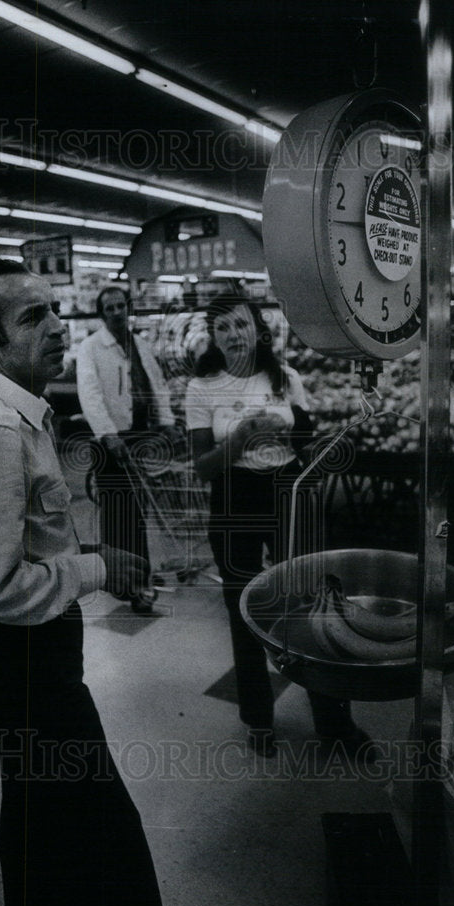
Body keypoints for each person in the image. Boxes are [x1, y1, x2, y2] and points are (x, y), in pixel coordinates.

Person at [0, 260, 167, 906]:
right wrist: (96, 568)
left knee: (46, 821)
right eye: (31, 317)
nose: (56, 326)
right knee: (99, 827)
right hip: (21, 659)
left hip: (36, 649)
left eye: (53, 309)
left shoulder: (21, 416)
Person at [185, 290, 370, 758]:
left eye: (240, 324)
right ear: (213, 336)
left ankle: (334, 721)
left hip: (288, 490)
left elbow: (307, 439)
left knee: (310, 602)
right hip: (233, 497)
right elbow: (203, 466)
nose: (232, 335)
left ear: (258, 330)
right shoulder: (202, 387)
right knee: (244, 608)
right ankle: (258, 718)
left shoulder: (286, 378)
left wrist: (290, 432)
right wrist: (241, 438)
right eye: (222, 327)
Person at [76, 285, 180, 614]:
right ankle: (126, 582)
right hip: (110, 442)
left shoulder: (140, 345)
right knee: (120, 513)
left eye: (121, 306)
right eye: (110, 308)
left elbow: (157, 384)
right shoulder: (91, 348)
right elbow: (89, 394)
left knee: (139, 512)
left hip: (139, 436)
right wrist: (108, 434)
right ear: (101, 313)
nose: (117, 312)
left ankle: (141, 575)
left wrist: (167, 421)